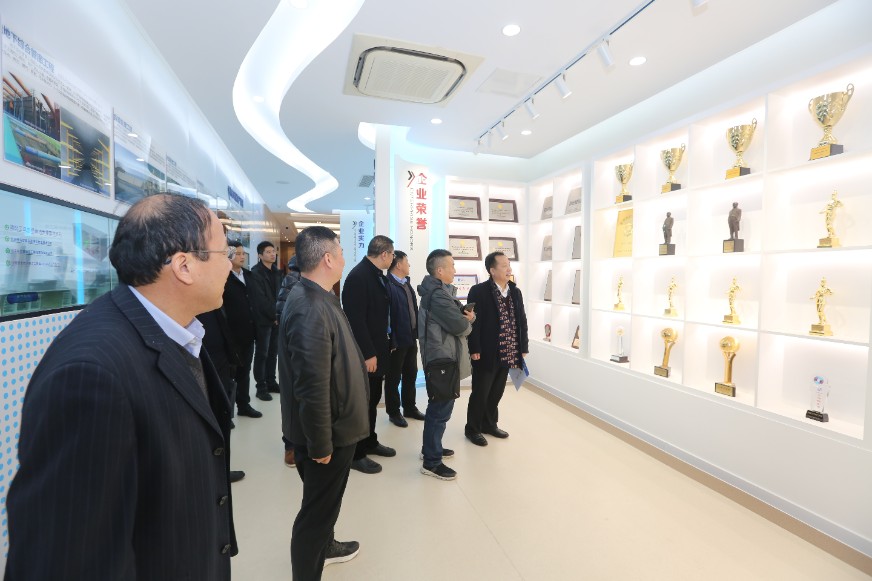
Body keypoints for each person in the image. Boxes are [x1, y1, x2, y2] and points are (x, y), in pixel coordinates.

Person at [5, 193, 237, 579]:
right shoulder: (90, 376)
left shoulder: (177, 332)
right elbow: (68, 557)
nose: (230, 264)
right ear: (184, 266)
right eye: (223, 252)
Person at [278, 226, 368, 580]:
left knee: (324, 505)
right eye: (341, 252)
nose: (345, 258)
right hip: (327, 434)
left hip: (334, 426)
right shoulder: (310, 306)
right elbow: (311, 384)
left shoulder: (318, 296)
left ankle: (327, 546)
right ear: (328, 258)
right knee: (316, 514)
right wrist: (321, 443)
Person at [341, 235, 397, 474]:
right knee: (362, 404)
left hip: (378, 348)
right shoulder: (358, 277)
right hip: (367, 353)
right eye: (392, 254)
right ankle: (356, 453)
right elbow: (356, 320)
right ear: (384, 254)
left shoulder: (376, 275)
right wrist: (368, 353)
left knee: (373, 399)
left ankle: (370, 441)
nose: (393, 258)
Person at [418, 249, 474, 480]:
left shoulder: (440, 292)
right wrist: (469, 321)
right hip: (442, 359)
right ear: (440, 270)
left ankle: (431, 449)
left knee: (440, 408)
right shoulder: (439, 296)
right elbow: (460, 327)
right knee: (440, 411)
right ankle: (431, 462)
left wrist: (464, 317)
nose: (455, 269)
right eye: (451, 265)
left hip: (444, 356)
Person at [465, 251, 529, 447]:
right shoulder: (478, 291)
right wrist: (474, 348)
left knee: (497, 391)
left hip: (509, 349)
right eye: (504, 265)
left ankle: (489, 424)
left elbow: (522, 320)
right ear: (492, 270)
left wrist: (523, 346)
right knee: (481, 391)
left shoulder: (515, 292)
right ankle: (472, 429)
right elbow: (473, 322)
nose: (509, 269)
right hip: (486, 350)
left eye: (509, 265)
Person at [384, 250, 426, 427]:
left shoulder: (407, 284)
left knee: (411, 374)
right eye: (407, 262)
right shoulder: (387, 285)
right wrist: (390, 339)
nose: (409, 265)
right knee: (393, 378)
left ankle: (409, 407)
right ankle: (394, 412)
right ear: (399, 264)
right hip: (396, 341)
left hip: (410, 338)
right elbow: (386, 316)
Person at [224, 240, 262, 420]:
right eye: (237, 254)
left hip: (248, 332)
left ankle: (244, 405)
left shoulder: (249, 275)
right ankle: (227, 413)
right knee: (228, 375)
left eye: (242, 253)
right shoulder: (223, 277)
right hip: (230, 334)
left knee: (244, 372)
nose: (241, 257)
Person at [276, 254, 302, 468]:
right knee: (293, 397)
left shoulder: (320, 280)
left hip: (314, 346)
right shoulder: (292, 279)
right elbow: (282, 311)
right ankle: (290, 445)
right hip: (297, 347)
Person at [250, 240, 282, 401]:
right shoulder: (255, 273)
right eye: (268, 252)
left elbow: (280, 295)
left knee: (273, 353)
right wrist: (273, 315)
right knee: (262, 354)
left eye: (273, 251)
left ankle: (271, 381)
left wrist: (278, 315)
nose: (272, 254)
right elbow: (260, 300)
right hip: (263, 320)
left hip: (275, 319)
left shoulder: (277, 272)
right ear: (260, 255)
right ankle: (260, 387)